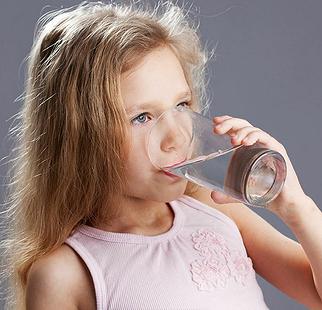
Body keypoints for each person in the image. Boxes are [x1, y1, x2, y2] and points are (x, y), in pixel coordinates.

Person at [1, 1, 322, 309]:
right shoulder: (65, 274)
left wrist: (298, 208)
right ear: (82, 137)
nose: (177, 136)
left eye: (181, 105)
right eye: (142, 117)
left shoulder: (215, 211)